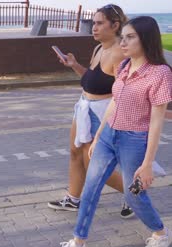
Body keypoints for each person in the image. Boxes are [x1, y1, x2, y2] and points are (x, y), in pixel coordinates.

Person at [50, 16, 172, 247]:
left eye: (130, 37)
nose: (123, 42)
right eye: (123, 37)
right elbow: (114, 102)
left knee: (133, 194)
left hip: (134, 139)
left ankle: (160, 233)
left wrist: (148, 163)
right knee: (91, 188)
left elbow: (157, 120)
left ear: (146, 39)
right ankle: (78, 242)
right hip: (108, 136)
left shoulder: (160, 73)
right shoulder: (126, 66)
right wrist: (97, 137)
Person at [47, 4, 134, 218]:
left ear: (115, 25)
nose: (94, 27)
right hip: (84, 107)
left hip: (102, 113)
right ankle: (73, 199)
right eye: (93, 23)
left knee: (94, 164)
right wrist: (75, 65)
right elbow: (92, 80)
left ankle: (134, 193)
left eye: (99, 23)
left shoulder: (120, 54)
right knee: (75, 152)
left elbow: (125, 91)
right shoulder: (99, 48)